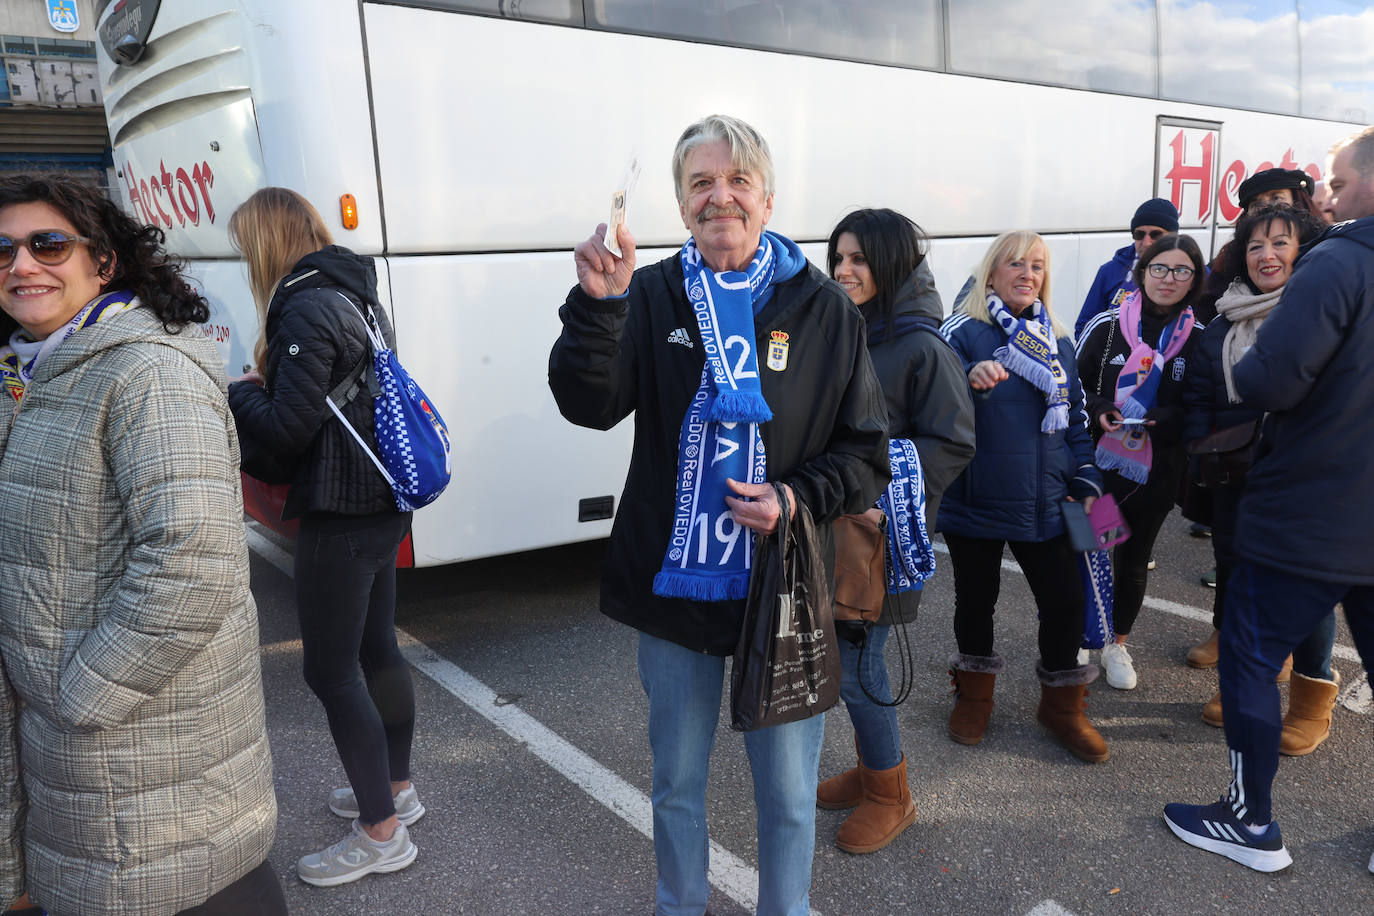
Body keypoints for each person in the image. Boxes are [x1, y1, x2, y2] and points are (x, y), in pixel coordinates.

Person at [548, 115, 889, 915]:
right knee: (675, 785)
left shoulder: (823, 310)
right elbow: (588, 405)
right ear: (681, 202)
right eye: (701, 183)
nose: (720, 197)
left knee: (789, 794)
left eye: (737, 182)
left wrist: (794, 498)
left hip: (783, 587)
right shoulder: (652, 291)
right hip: (672, 590)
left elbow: (866, 450)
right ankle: (680, 903)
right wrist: (599, 308)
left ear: (767, 201)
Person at [0, 174, 282, 914]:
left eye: (47, 244)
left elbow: (194, 564)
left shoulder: (144, 371)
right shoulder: (31, 370)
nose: (21, 264)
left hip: (142, 771)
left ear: (104, 262)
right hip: (75, 771)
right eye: (1, 250)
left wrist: (78, 694)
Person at [1164, 125, 1374, 874]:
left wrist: (1246, 379)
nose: (1330, 192)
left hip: (1310, 511)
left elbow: (1270, 380)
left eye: (1340, 181)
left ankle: (1251, 822)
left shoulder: (1340, 259)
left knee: (1249, 658)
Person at [227, 188, 421, 887]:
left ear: (267, 244)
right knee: (377, 650)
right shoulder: (354, 291)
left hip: (341, 510)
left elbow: (284, 432)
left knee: (330, 670)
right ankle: (395, 789)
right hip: (383, 501)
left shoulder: (305, 307)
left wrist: (241, 390)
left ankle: (381, 834)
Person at [818, 209, 975, 854]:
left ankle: (892, 794)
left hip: (879, 537)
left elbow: (954, 440)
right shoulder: (843, 329)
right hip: (833, 525)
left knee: (859, 667)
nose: (845, 271)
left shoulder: (921, 345)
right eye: (840, 258)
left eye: (860, 260)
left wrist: (887, 495)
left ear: (891, 266)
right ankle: (870, 766)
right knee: (847, 660)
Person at [939, 231, 1107, 763]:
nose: (1027, 274)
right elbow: (931, 403)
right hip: (977, 498)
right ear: (991, 273)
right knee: (975, 602)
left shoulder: (1057, 339)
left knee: (1064, 603)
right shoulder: (963, 332)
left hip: (1050, 500)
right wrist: (967, 378)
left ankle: (1060, 708)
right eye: (1015, 263)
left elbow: (1076, 418)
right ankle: (974, 696)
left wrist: (1087, 474)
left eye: (1037, 266)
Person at [1181, 204, 1337, 747]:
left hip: (1306, 476)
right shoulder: (1223, 318)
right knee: (1237, 575)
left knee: (1308, 585)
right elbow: (1201, 394)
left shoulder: (1322, 309)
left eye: (1280, 243)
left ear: (1304, 249)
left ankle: (1311, 701)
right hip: (1235, 474)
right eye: (1254, 246)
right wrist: (1205, 454)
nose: (1266, 255)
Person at [1075, 234, 1205, 690]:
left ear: (1194, 280)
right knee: (1090, 550)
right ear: (1143, 271)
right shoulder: (1110, 325)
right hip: (1101, 471)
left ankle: (1117, 644)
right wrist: (1099, 409)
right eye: (1159, 269)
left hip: (1155, 474)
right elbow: (1072, 386)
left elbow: (1201, 405)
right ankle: (1081, 635)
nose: (1169, 279)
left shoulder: (1198, 337)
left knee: (1132, 562)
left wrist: (1160, 418)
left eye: (1182, 271)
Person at [1073, 198, 1179, 338]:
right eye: (1139, 234)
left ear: (1173, 237)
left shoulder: (1192, 275)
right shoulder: (1110, 271)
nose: (1146, 242)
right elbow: (1084, 327)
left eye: (1156, 234)